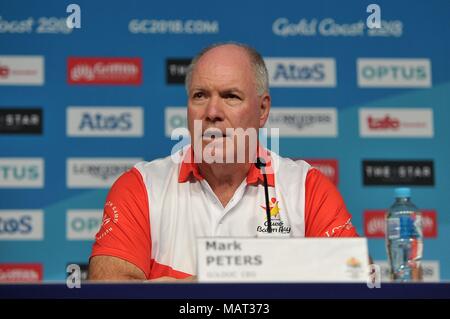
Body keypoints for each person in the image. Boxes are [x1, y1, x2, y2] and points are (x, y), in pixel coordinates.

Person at [88, 42, 358, 281]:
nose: (212, 112)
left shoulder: (307, 188)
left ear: (262, 109)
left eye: (230, 96)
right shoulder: (140, 187)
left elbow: (354, 275)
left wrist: (203, 284)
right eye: (200, 96)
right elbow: (109, 289)